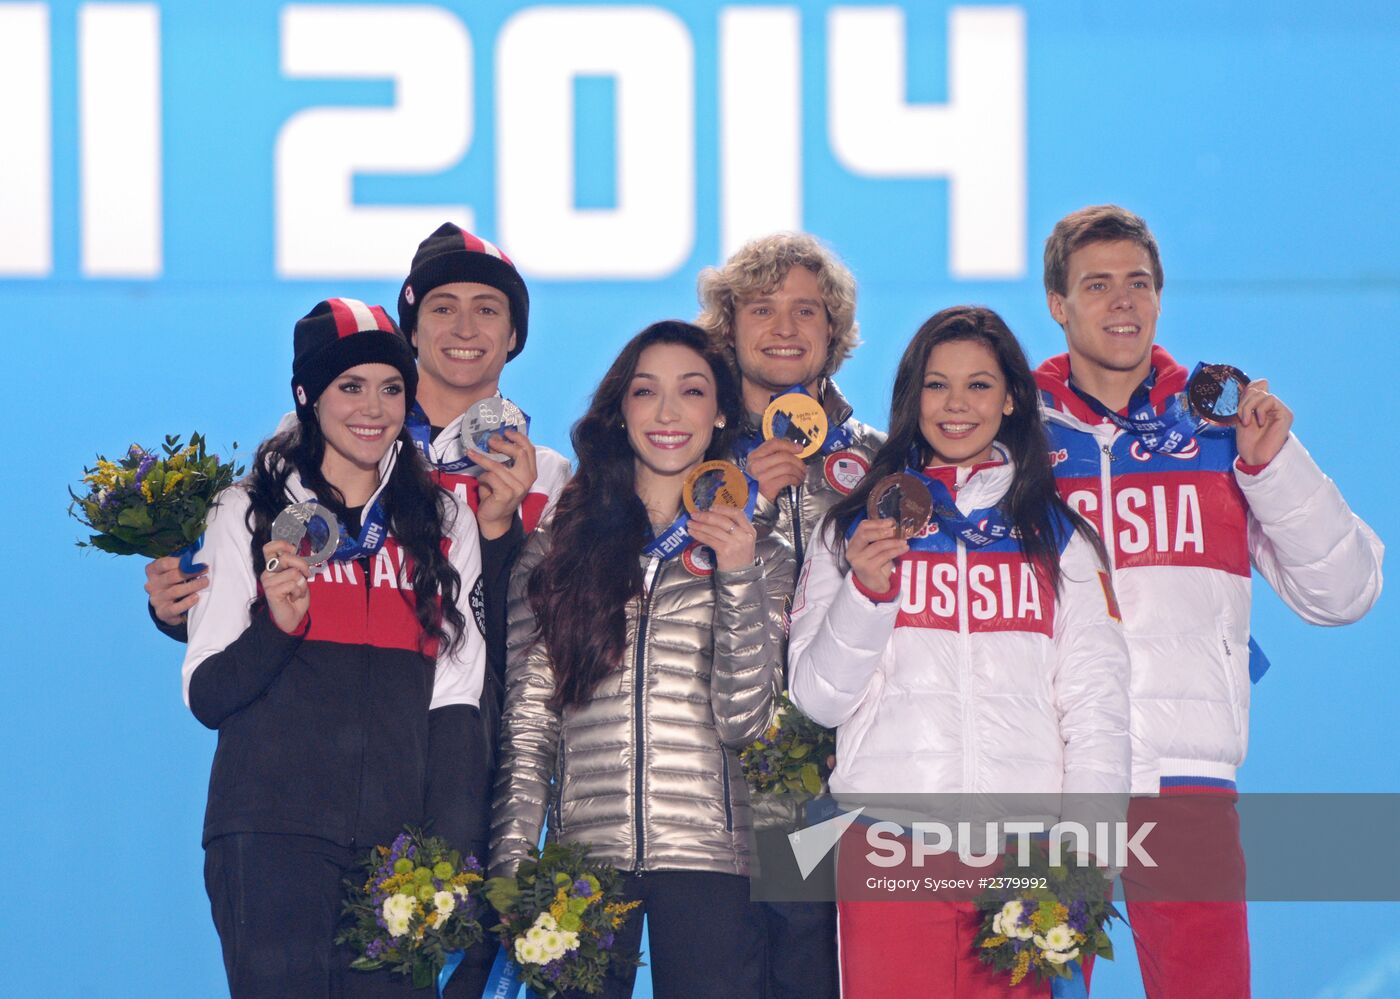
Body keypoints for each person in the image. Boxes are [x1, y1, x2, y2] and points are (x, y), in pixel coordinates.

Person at [1036, 205, 1385, 999]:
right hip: (1048, 772)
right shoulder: (1012, 433)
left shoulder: (1222, 427)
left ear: (1160, 296)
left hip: (1183, 772)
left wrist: (1275, 466)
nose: (1122, 301)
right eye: (1098, 285)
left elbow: (1348, 590)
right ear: (1058, 303)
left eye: (1138, 283)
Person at [788, 305, 1130, 998]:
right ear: (912, 397)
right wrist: (867, 593)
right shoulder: (852, 529)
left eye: (979, 385)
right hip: (889, 848)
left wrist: (1081, 856)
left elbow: (1098, 706)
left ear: (1010, 399)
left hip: (1023, 857)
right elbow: (818, 698)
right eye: (937, 385)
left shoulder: (1063, 538)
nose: (956, 405)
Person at [182, 299, 489, 997]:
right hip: (269, 835)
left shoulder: (444, 520)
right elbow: (208, 694)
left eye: (391, 387)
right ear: (307, 395)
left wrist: (446, 860)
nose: (373, 408)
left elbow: (456, 702)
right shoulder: (246, 511)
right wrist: (279, 627)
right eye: (350, 386)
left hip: (398, 852)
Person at [490, 320, 792, 999]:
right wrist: (514, 864)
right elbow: (529, 728)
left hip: (715, 860)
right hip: (583, 867)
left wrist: (738, 572)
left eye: (691, 391)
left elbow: (745, 720)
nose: (666, 413)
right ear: (618, 411)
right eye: (644, 391)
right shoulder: (556, 550)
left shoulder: (761, 553)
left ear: (720, 414)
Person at [696, 232, 884, 999]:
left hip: (842, 771)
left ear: (834, 333)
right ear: (728, 328)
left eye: (807, 309)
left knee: (816, 969)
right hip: (716, 765)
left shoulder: (880, 460)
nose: (784, 326)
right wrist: (750, 496)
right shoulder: (688, 457)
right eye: (762, 307)